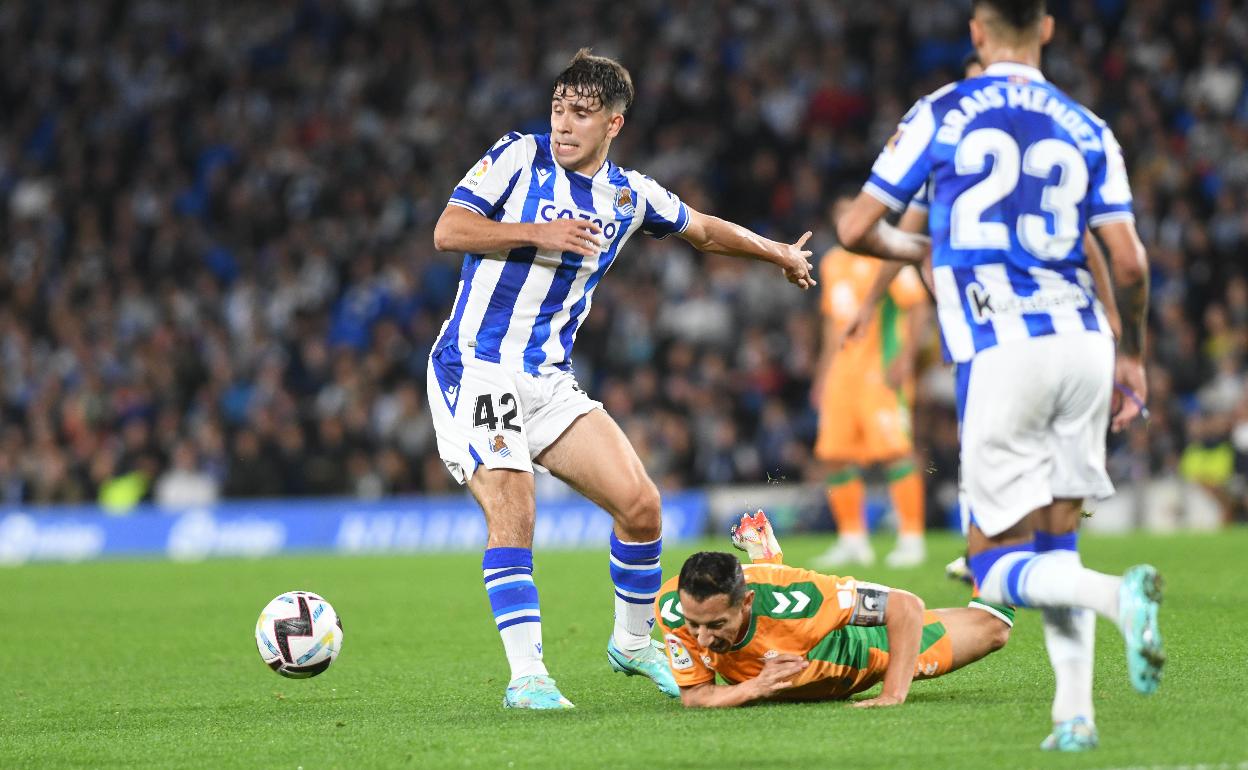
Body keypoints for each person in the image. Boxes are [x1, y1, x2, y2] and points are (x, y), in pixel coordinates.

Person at [427, 49, 816, 710]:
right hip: (477, 364)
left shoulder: (629, 196)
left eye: (581, 113)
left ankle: (633, 643)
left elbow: (704, 230)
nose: (563, 124)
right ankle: (528, 676)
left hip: (547, 379)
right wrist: (534, 232)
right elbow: (448, 230)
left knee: (641, 507)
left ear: (614, 122)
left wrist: (776, 251)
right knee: (515, 508)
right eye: (558, 107)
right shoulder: (518, 157)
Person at [836, 0, 1162, 751]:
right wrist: (1135, 354)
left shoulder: (942, 112)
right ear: (1046, 29)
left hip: (999, 347)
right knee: (1056, 546)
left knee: (991, 562)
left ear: (977, 32)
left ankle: (1119, 597)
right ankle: (1073, 717)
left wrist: (919, 250)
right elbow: (1131, 261)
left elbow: (857, 229)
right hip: (1084, 343)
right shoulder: (1087, 126)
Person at [842, 51, 1124, 584]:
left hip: (994, 321)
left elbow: (897, 233)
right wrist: (873, 301)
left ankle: (1004, 557)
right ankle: (1027, 554)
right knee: (1003, 441)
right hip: (1033, 320)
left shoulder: (947, 131)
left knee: (993, 438)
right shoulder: (1054, 129)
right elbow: (913, 237)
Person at [654, 511, 1013, 707]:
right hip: (779, 631)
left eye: (716, 624)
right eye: (694, 624)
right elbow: (697, 696)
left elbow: (906, 607)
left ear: (746, 602)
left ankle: (1003, 547)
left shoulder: (806, 597)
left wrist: (892, 694)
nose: (701, 638)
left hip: (865, 650)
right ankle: (765, 555)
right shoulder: (672, 609)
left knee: (993, 628)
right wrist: (755, 687)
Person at [810, 194, 933, 569]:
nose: (850, 221)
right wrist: (822, 374)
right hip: (843, 376)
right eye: (843, 214)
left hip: (880, 371)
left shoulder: (887, 254)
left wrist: (906, 359)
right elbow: (834, 324)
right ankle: (853, 539)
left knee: (895, 450)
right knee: (833, 456)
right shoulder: (833, 262)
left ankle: (911, 538)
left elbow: (918, 307)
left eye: (854, 212)